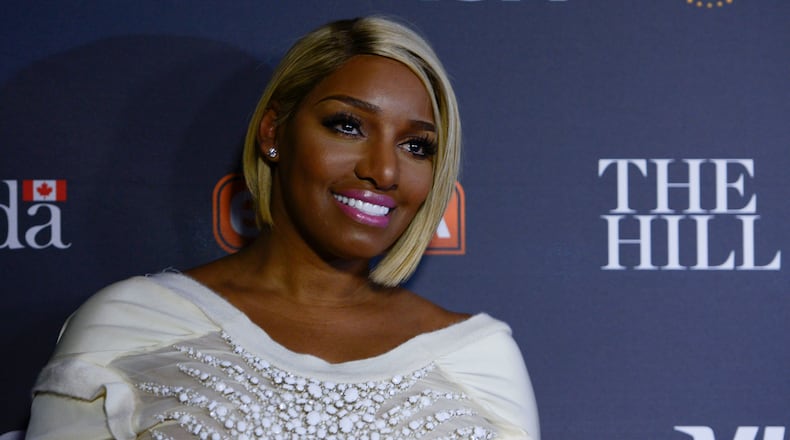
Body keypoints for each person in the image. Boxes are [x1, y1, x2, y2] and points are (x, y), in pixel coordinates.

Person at [26, 16, 539, 440]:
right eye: (348, 125)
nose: (383, 170)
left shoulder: (479, 361)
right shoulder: (132, 327)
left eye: (416, 146)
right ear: (274, 132)